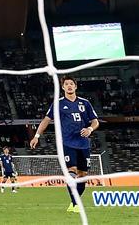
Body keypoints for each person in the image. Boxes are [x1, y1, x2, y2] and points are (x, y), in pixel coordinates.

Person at [29, 76, 99, 214]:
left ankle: (74, 202)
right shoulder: (58, 103)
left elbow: (95, 121)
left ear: (75, 86)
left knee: (83, 175)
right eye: (66, 84)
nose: (69, 86)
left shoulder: (85, 103)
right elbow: (46, 120)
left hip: (83, 144)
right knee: (71, 171)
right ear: (62, 87)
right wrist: (36, 136)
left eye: (71, 84)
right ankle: (76, 204)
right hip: (67, 143)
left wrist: (90, 129)